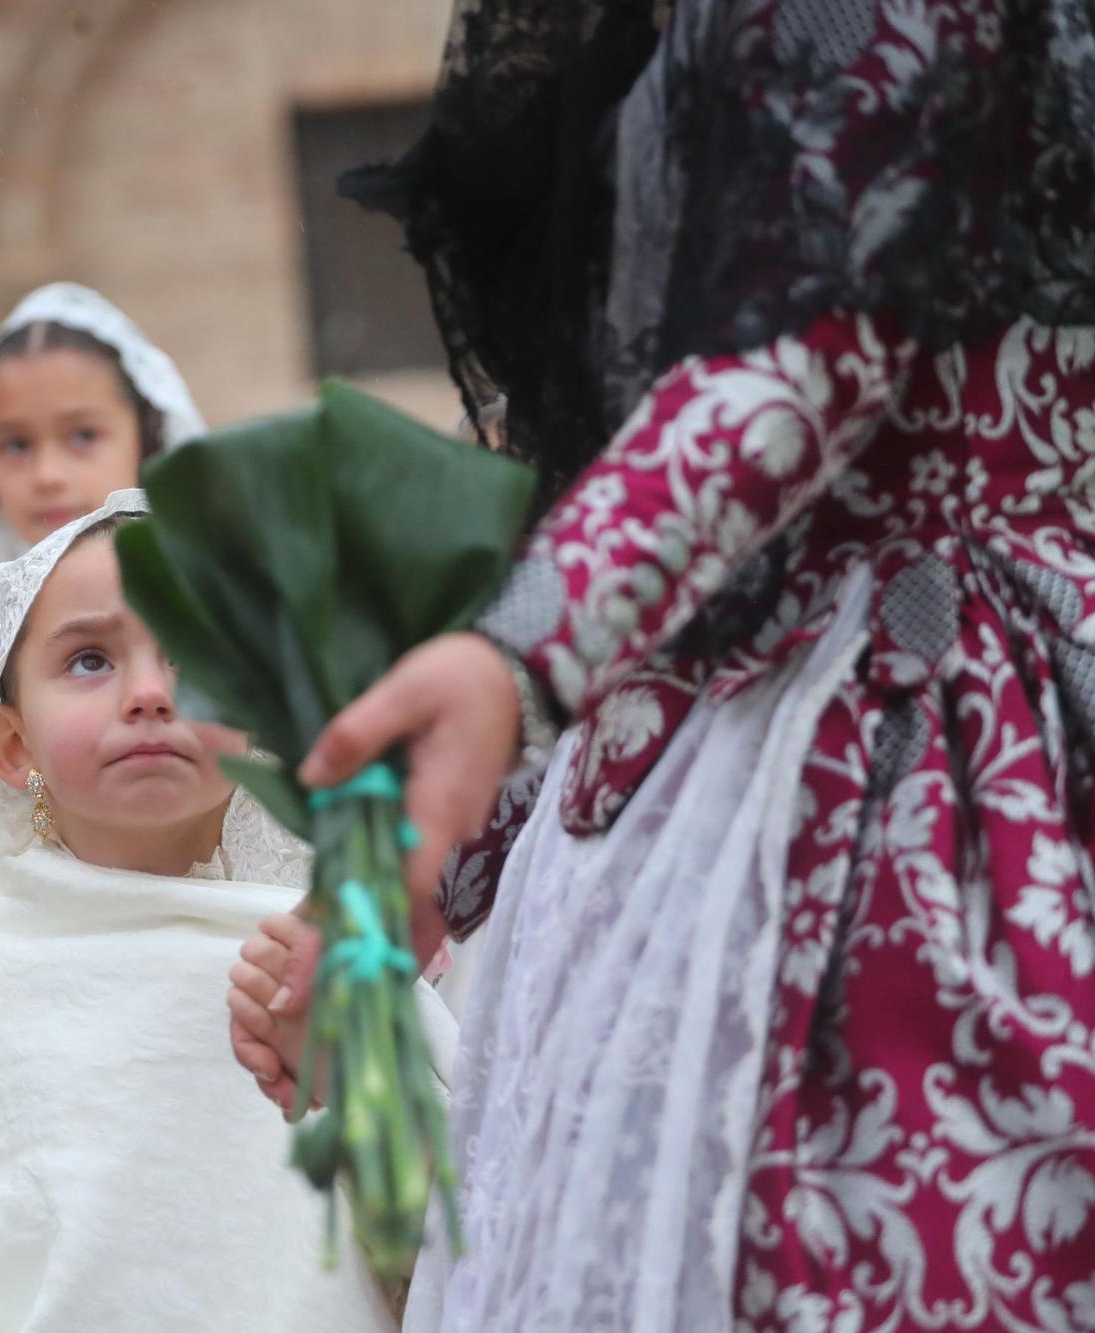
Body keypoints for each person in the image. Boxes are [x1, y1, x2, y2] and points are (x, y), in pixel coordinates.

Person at [231, 2, 1095, 1328]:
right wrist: (428, 856)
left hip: (920, 789)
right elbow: (650, 515)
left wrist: (508, 666)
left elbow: (807, 354)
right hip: (693, 815)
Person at [0, 494, 453, 1333]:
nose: (149, 692)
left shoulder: (321, 950)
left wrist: (350, 1085)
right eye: (88, 660)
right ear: (11, 744)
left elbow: (461, 1241)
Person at [0, 283, 211, 976]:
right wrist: (26, 875)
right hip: (17, 963)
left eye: (82, 436)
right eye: (15, 446)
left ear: (145, 437)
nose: (49, 473)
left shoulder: (208, 595)